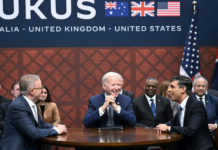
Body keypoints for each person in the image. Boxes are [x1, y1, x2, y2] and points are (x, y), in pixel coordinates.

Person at [0, 74, 67, 150]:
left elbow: (40, 124)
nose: (42, 90)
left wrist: (55, 127)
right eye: (40, 88)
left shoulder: (31, 103)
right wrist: (57, 130)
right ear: (31, 91)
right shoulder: (18, 106)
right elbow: (33, 133)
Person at [156, 75, 216, 150]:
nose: (169, 90)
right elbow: (173, 121)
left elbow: (191, 130)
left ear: (183, 89)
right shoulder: (182, 105)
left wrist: (168, 128)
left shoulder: (196, 105)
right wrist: (161, 126)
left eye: (172, 87)